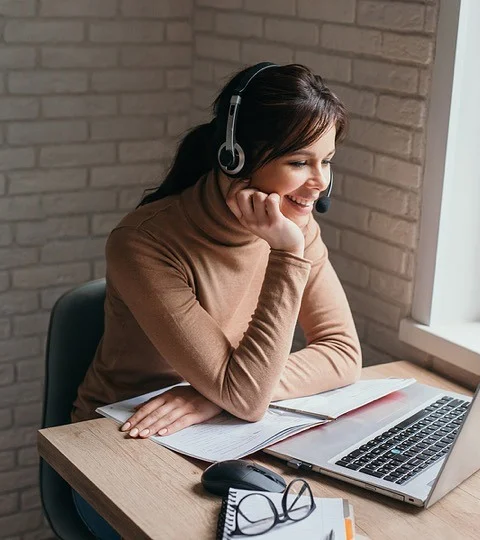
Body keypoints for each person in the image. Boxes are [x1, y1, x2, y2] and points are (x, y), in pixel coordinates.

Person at [70, 62, 362, 539]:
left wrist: (209, 395)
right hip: (122, 443)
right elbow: (246, 397)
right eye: (300, 162)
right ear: (235, 156)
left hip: (227, 435)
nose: (320, 183)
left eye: (326, 160)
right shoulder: (144, 242)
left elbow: (344, 354)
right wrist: (287, 255)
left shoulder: (296, 226)